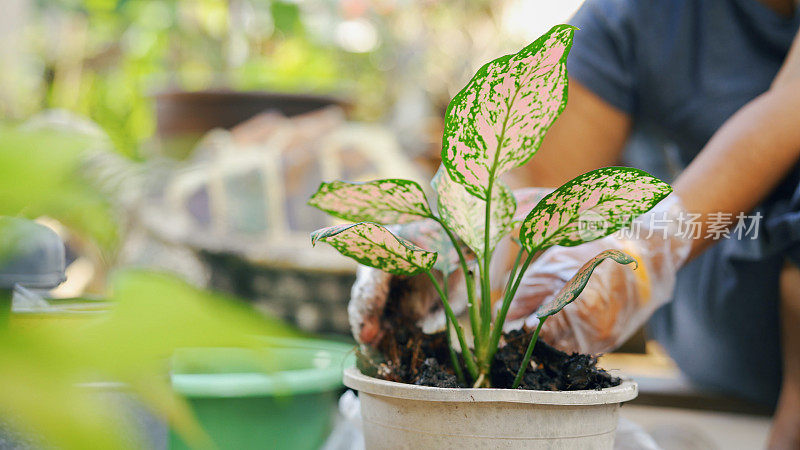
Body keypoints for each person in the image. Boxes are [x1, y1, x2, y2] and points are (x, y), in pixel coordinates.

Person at [350, 0, 800, 447]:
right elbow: (534, 184)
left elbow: (789, 107)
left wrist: (650, 248)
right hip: (717, 347)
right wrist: (449, 246)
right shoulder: (635, 16)